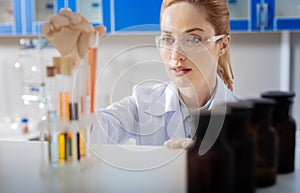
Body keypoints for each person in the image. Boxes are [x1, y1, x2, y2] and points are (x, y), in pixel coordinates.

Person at [42, 0, 238, 148]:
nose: (176, 55)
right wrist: (77, 70)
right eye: (168, 39)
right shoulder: (142, 103)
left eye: (193, 39)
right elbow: (84, 136)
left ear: (222, 44)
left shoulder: (244, 119)